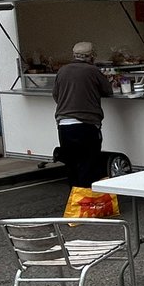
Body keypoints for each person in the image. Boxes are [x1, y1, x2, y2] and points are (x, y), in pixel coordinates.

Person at [53, 41, 113, 188]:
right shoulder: (92, 71)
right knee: (88, 164)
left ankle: (76, 200)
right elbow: (108, 91)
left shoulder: (62, 71)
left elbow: (56, 95)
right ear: (91, 56)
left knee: (72, 165)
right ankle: (88, 202)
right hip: (87, 124)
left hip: (64, 125)